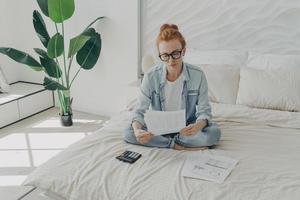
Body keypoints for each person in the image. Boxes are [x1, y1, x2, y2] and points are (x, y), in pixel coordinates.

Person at [123, 24, 221, 150]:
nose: (170, 61)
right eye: (165, 56)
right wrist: (137, 131)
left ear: (183, 51)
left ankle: (166, 141)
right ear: (160, 55)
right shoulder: (150, 76)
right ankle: (175, 145)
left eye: (175, 54)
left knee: (214, 133)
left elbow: (204, 111)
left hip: (186, 128)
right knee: (128, 133)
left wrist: (197, 127)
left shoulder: (198, 75)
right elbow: (139, 111)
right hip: (158, 127)